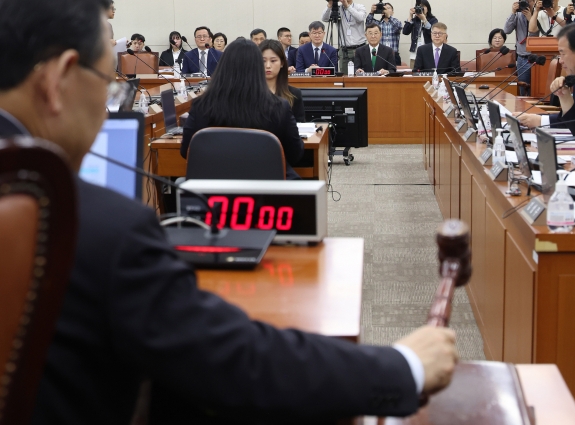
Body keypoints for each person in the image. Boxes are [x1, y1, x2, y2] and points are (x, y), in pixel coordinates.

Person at [0, 0, 459, 423]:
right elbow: (235, 360)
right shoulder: (86, 225)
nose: (108, 109)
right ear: (57, 81)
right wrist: (403, 366)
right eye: (108, 84)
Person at [181, 38, 304, 179]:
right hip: (267, 189)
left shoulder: (200, 105)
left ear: (223, 66)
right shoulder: (279, 107)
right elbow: (295, 154)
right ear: (258, 67)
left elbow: (187, 151)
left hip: (212, 190)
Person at [518, 23, 575, 128]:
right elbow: (573, 118)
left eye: (563, 54)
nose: (561, 61)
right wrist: (536, 119)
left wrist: (540, 120)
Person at [260, 39, 305, 122]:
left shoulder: (294, 94)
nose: (268, 66)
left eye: (273, 61)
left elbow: (300, 127)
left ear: (282, 63)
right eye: (263, 61)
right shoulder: (250, 93)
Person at [322, 0, 367, 73]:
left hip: (360, 48)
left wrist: (347, 6)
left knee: (362, 74)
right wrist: (330, 4)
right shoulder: (338, 9)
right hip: (344, 50)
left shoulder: (360, 7)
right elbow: (324, 18)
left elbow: (360, 18)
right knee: (345, 76)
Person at [504, 0, 535, 95]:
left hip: (537, 59)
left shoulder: (540, 14)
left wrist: (531, 19)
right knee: (523, 90)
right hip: (522, 58)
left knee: (537, 91)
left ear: (534, 2)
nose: (526, 4)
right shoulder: (518, 15)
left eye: (528, 1)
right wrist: (513, 12)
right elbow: (506, 30)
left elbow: (539, 34)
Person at [403, 0, 438, 70]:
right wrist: (410, 16)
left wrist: (424, 19)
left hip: (429, 53)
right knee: (414, 74)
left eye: (423, 7)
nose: (421, 8)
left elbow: (432, 33)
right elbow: (405, 31)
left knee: (428, 73)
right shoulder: (414, 20)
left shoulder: (433, 20)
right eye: (419, 7)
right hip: (415, 53)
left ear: (428, 8)